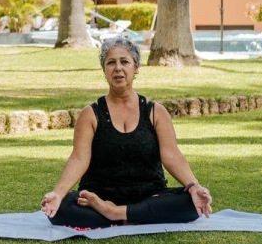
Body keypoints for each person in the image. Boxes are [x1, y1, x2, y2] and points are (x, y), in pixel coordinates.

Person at [40, 35, 214, 229]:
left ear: (136, 67)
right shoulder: (90, 114)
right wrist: (58, 193)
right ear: (104, 70)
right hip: (98, 196)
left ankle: (113, 213)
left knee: (190, 203)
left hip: (148, 195)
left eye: (125, 62)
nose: (118, 68)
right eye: (111, 63)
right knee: (61, 208)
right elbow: (79, 158)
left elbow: (172, 155)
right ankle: (133, 215)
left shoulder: (156, 112)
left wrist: (194, 186)